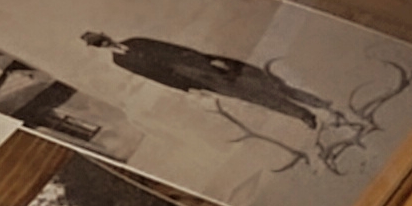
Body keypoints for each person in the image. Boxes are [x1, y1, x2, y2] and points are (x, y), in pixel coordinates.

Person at [79, 31, 323, 130]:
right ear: (99, 48)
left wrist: (207, 60)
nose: (105, 43)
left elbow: (173, 48)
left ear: (106, 35)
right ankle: (302, 114)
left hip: (197, 64)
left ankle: (317, 103)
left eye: (102, 39)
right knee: (252, 97)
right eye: (100, 44)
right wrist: (188, 88)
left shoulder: (136, 41)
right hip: (191, 78)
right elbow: (157, 77)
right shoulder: (120, 62)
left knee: (265, 83)